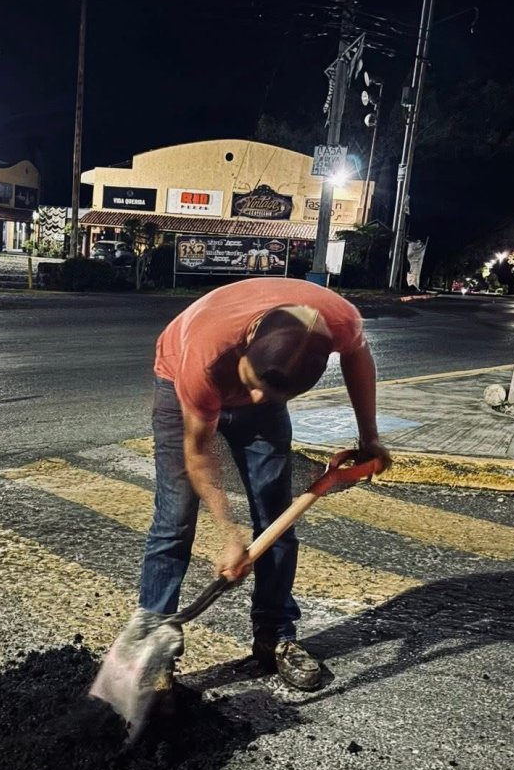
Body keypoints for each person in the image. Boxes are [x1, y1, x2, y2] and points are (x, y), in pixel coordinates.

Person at [126, 276, 392, 692]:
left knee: (277, 520)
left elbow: (358, 357)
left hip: (256, 384)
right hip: (182, 386)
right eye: (250, 384)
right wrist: (229, 535)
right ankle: (154, 645)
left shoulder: (340, 318)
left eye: (264, 394)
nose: (249, 400)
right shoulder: (206, 348)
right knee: (175, 518)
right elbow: (199, 454)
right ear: (249, 339)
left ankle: (275, 636)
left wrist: (369, 436)